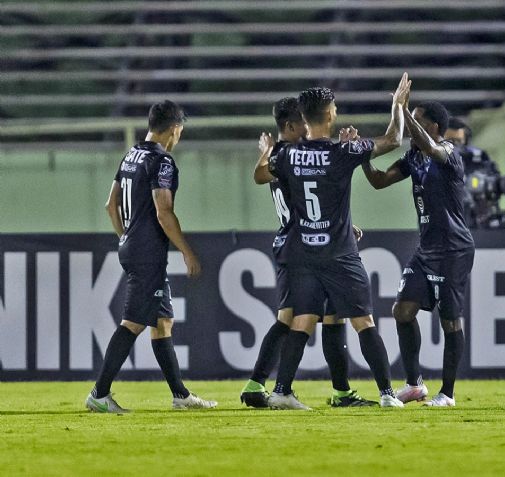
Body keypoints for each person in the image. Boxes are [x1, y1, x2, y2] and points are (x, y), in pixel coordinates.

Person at [255, 75, 410, 409]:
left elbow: (260, 175)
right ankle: (386, 393)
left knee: (302, 320)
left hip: (304, 254)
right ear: (329, 116)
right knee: (363, 321)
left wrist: (267, 152)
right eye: (334, 107)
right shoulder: (343, 151)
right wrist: (397, 106)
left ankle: (281, 390)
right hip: (339, 253)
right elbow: (394, 139)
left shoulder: (289, 155)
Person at [241, 97, 376, 408]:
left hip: (302, 243)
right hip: (304, 247)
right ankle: (267, 385)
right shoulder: (291, 157)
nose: (307, 124)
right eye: (302, 120)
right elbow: (314, 198)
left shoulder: (283, 157)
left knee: (322, 316)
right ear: (291, 126)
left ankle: (335, 391)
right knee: (295, 319)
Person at [85, 100, 217, 413]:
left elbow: (110, 204)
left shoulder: (132, 154)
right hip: (147, 253)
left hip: (132, 246)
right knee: (133, 323)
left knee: (163, 322)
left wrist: (125, 236)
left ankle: (180, 396)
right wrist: (186, 251)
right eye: (180, 132)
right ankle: (99, 394)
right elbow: (164, 211)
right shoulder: (162, 161)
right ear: (174, 129)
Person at [359, 101, 475, 407]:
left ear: (433, 127)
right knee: (402, 310)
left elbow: (432, 148)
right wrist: (362, 159)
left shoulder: (448, 152)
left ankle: (447, 393)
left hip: (454, 249)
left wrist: (402, 109)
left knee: (450, 321)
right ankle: (414, 384)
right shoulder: (413, 157)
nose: (410, 126)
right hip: (426, 249)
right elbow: (379, 181)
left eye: (418, 121)